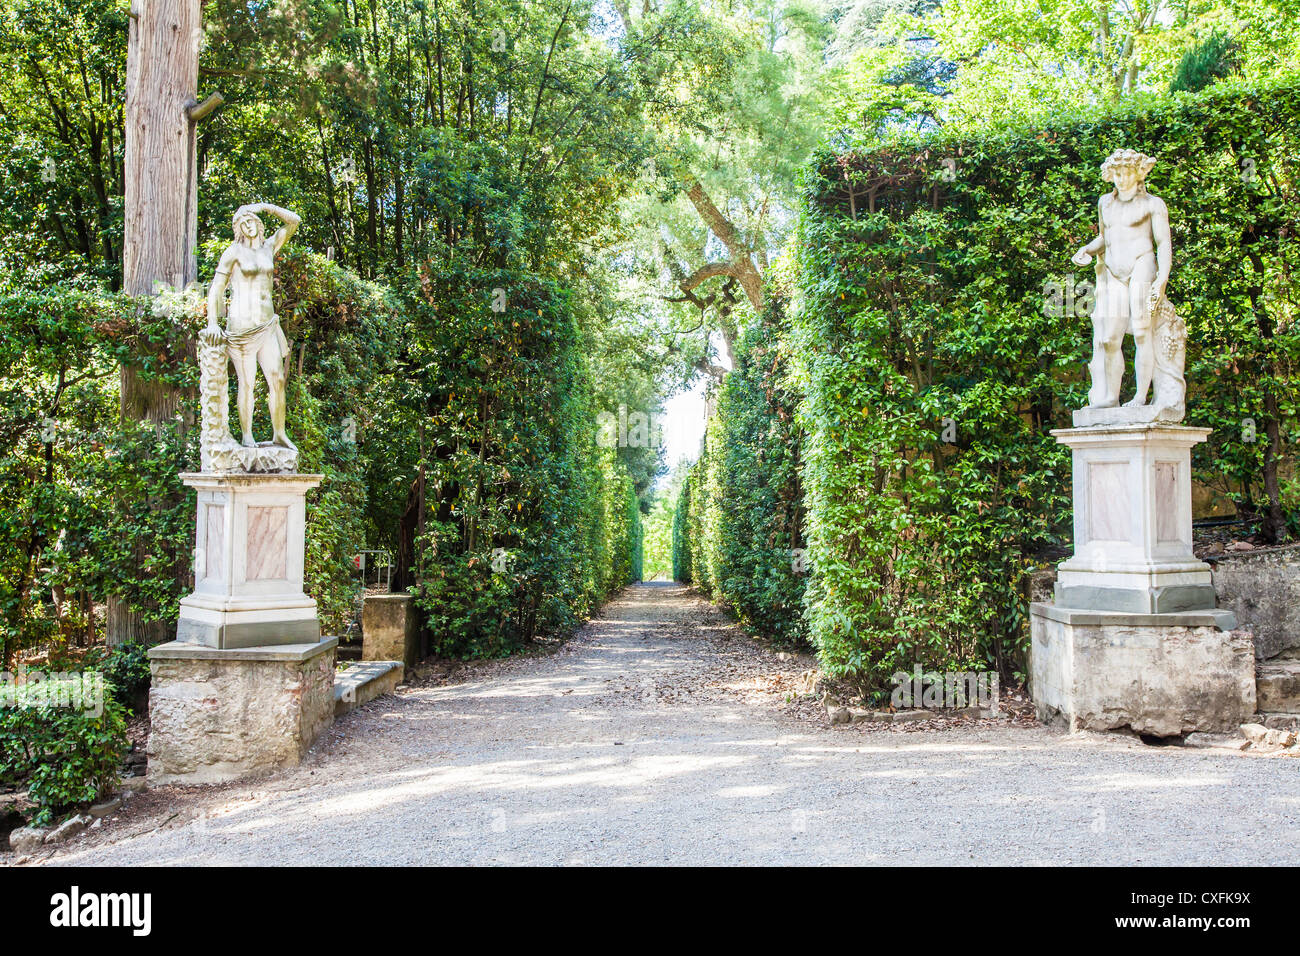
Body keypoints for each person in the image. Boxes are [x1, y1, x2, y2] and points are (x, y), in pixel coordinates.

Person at [1071, 149, 1171, 409]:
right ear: (1111, 175)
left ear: (1138, 174)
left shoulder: (1153, 204)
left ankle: (1140, 396)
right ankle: (1110, 397)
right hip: (1114, 270)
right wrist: (1087, 249)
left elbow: (1162, 243)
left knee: (1140, 331)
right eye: (1117, 174)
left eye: (1127, 173)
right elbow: (1107, 237)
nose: (1122, 179)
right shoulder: (1105, 203)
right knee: (1108, 338)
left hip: (1142, 263)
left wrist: (1162, 279)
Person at [205, 203, 301, 449]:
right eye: (242, 222)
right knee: (247, 383)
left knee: (277, 379)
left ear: (258, 222)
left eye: (251, 220)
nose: (248, 224)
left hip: (267, 324)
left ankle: (279, 432)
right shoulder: (233, 252)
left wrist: (265, 206)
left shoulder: (269, 246)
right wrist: (213, 323)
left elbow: (294, 221)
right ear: (237, 228)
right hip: (242, 328)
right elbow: (216, 289)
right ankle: (247, 435)